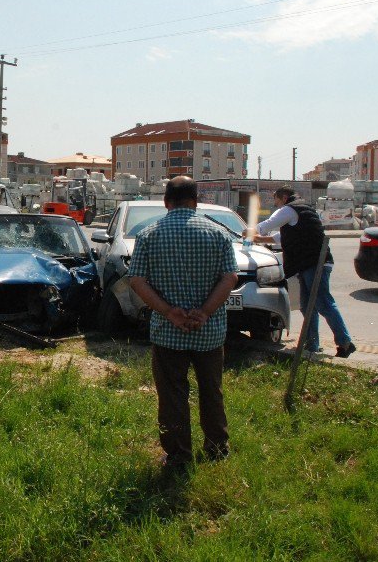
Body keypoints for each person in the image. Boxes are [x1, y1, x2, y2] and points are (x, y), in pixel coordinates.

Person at [127, 176, 238, 468]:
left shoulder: (149, 234)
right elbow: (230, 277)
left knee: (172, 396)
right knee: (211, 391)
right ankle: (216, 449)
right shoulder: (218, 233)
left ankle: (178, 456)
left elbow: (136, 279)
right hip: (209, 331)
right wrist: (205, 311)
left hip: (168, 332)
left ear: (166, 202)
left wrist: (167, 311)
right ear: (196, 201)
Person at [255, 186, 357, 358]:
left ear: (284, 197)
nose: (276, 206)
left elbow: (268, 224)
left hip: (315, 263)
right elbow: (282, 237)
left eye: (277, 201)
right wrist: (260, 238)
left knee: (323, 302)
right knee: (307, 305)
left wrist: (250, 232)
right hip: (310, 263)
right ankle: (311, 345)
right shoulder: (302, 210)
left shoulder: (289, 209)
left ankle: (345, 343)